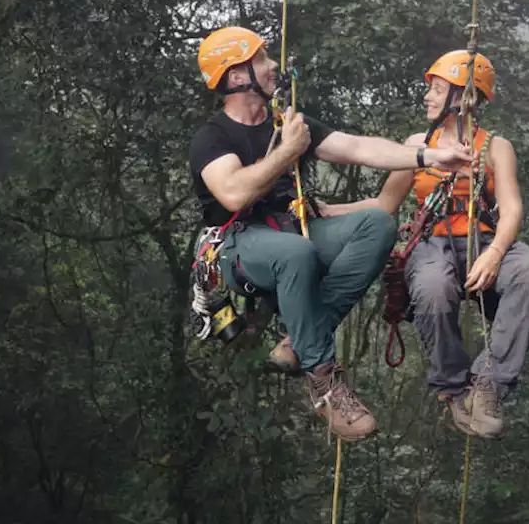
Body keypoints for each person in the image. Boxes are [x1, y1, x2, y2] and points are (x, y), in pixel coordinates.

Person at [190, 26, 474, 442]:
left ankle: (301, 339)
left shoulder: (284, 122)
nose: (273, 68)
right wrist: (288, 151)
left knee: (376, 223)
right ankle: (322, 380)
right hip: (237, 246)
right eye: (262, 60)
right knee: (294, 253)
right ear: (236, 78)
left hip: (289, 232)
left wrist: (428, 156)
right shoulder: (212, 138)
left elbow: (357, 148)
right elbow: (234, 194)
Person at [319, 49, 529, 439]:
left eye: (438, 89)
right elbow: (384, 205)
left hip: (483, 240)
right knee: (431, 287)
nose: (427, 96)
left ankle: (488, 385)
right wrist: (326, 210)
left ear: (466, 98)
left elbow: (511, 210)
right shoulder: (417, 144)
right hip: (432, 243)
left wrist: (495, 254)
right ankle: (455, 390)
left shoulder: (495, 147)